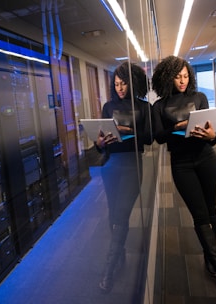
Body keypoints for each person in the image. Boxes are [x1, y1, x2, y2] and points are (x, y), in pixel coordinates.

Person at [151, 55, 216, 297]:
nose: (183, 81)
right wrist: (177, 127)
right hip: (182, 164)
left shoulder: (200, 98)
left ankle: (210, 256)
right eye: (178, 77)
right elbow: (159, 137)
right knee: (199, 215)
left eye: (186, 76)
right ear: (168, 78)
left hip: (206, 158)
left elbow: (212, 134)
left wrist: (212, 136)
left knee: (211, 210)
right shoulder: (159, 106)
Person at [95, 62, 153, 293]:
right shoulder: (108, 107)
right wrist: (99, 144)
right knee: (113, 215)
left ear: (133, 82)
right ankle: (120, 255)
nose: (120, 88)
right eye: (116, 84)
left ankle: (109, 268)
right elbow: (101, 142)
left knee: (121, 214)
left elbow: (149, 139)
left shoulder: (143, 106)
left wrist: (129, 132)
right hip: (111, 165)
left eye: (124, 83)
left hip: (132, 165)